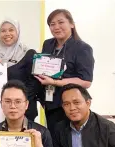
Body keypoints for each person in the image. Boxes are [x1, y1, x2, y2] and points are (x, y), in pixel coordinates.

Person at [34, 9, 94, 137]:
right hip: (50, 103)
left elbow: (86, 81)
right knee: (54, 140)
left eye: (61, 22)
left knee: (69, 140)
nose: (56, 27)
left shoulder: (82, 48)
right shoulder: (48, 44)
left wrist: (55, 82)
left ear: (72, 24)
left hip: (71, 103)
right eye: (52, 24)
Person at [0, 18, 41, 121]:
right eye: (3, 31)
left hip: (24, 111)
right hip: (1, 110)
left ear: (17, 32)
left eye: (11, 30)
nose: (7, 33)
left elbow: (34, 84)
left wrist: (17, 103)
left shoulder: (29, 53)